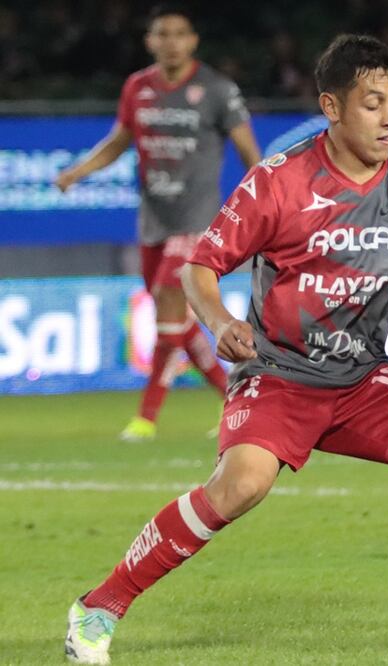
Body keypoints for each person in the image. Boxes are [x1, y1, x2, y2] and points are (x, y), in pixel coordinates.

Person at [63, 37, 388, 665]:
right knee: (241, 485)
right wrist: (218, 320)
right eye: (373, 103)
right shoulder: (280, 182)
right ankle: (98, 608)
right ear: (332, 107)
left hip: (361, 383)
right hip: (280, 376)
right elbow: (200, 267)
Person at [55, 4, 262, 442]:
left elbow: (250, 155)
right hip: (154, 221)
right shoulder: (137, 87)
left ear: (193, 41)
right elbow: (119, 140)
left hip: (198, 220)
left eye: (180, 33)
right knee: (175, 324)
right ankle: (238, 397)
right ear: (150, 41)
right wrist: (78, 171)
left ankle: (146, 418)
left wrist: (261, 208)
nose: (171, 41)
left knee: (170, 303)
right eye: (162, 34)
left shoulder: (217, 90)